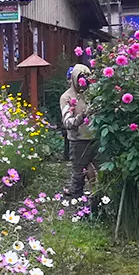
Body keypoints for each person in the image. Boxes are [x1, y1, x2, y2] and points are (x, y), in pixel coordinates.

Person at [60, 63, 96, 194]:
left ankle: (96, 196)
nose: (83, 82)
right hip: (78, 139)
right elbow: (68, 123)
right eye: (80, 78)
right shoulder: (67, 97)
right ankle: (76, 198)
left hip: (96, 138)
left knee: (100, 171)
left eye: (86, 78)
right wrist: (83, 115)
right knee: (79, 173)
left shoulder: (93, 94)